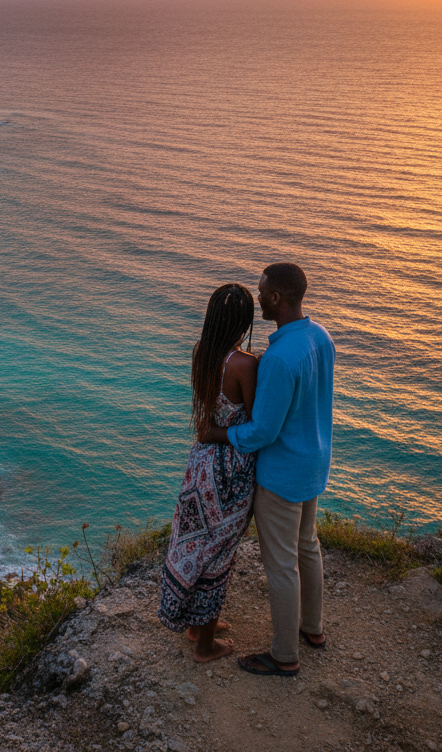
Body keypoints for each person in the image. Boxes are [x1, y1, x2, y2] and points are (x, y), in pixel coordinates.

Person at [203, 262, 335, 678]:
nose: (257, 297)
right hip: (314, 462)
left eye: (262, 292)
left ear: (276, 298)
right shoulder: (320, 337)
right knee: (307, 547)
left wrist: (218, 434)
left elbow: (262, 431)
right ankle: (312, 629)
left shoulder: (277, 359)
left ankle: (284, 655)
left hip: (281, 473)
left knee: (281, 564)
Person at [158, 283, 259, 662]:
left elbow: (209, 411)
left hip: (200, 464)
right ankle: (205, 646)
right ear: (244, 321)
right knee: (218, 553)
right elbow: (257, 421)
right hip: (230, 470)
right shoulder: (244, 365)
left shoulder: (202, 352)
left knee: (195, 542)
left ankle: (196, 623)